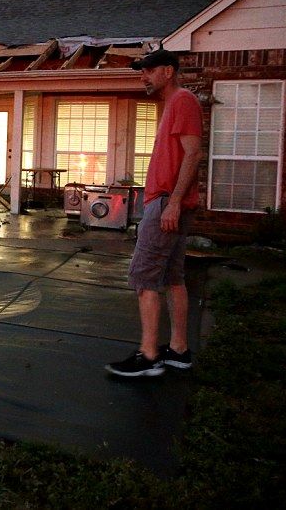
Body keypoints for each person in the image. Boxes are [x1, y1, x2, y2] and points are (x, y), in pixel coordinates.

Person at [106, 48, 202, 377]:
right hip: (167, 202)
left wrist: (173, 202)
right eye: (141, 72)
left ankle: (148, 356)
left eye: (148, 70)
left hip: (165, 203)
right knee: (173, 278)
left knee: (144, 277)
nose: (143, 77)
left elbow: (193, 153)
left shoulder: (183, 100)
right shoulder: (173, 104)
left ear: (168, 71)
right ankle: (178, 350)